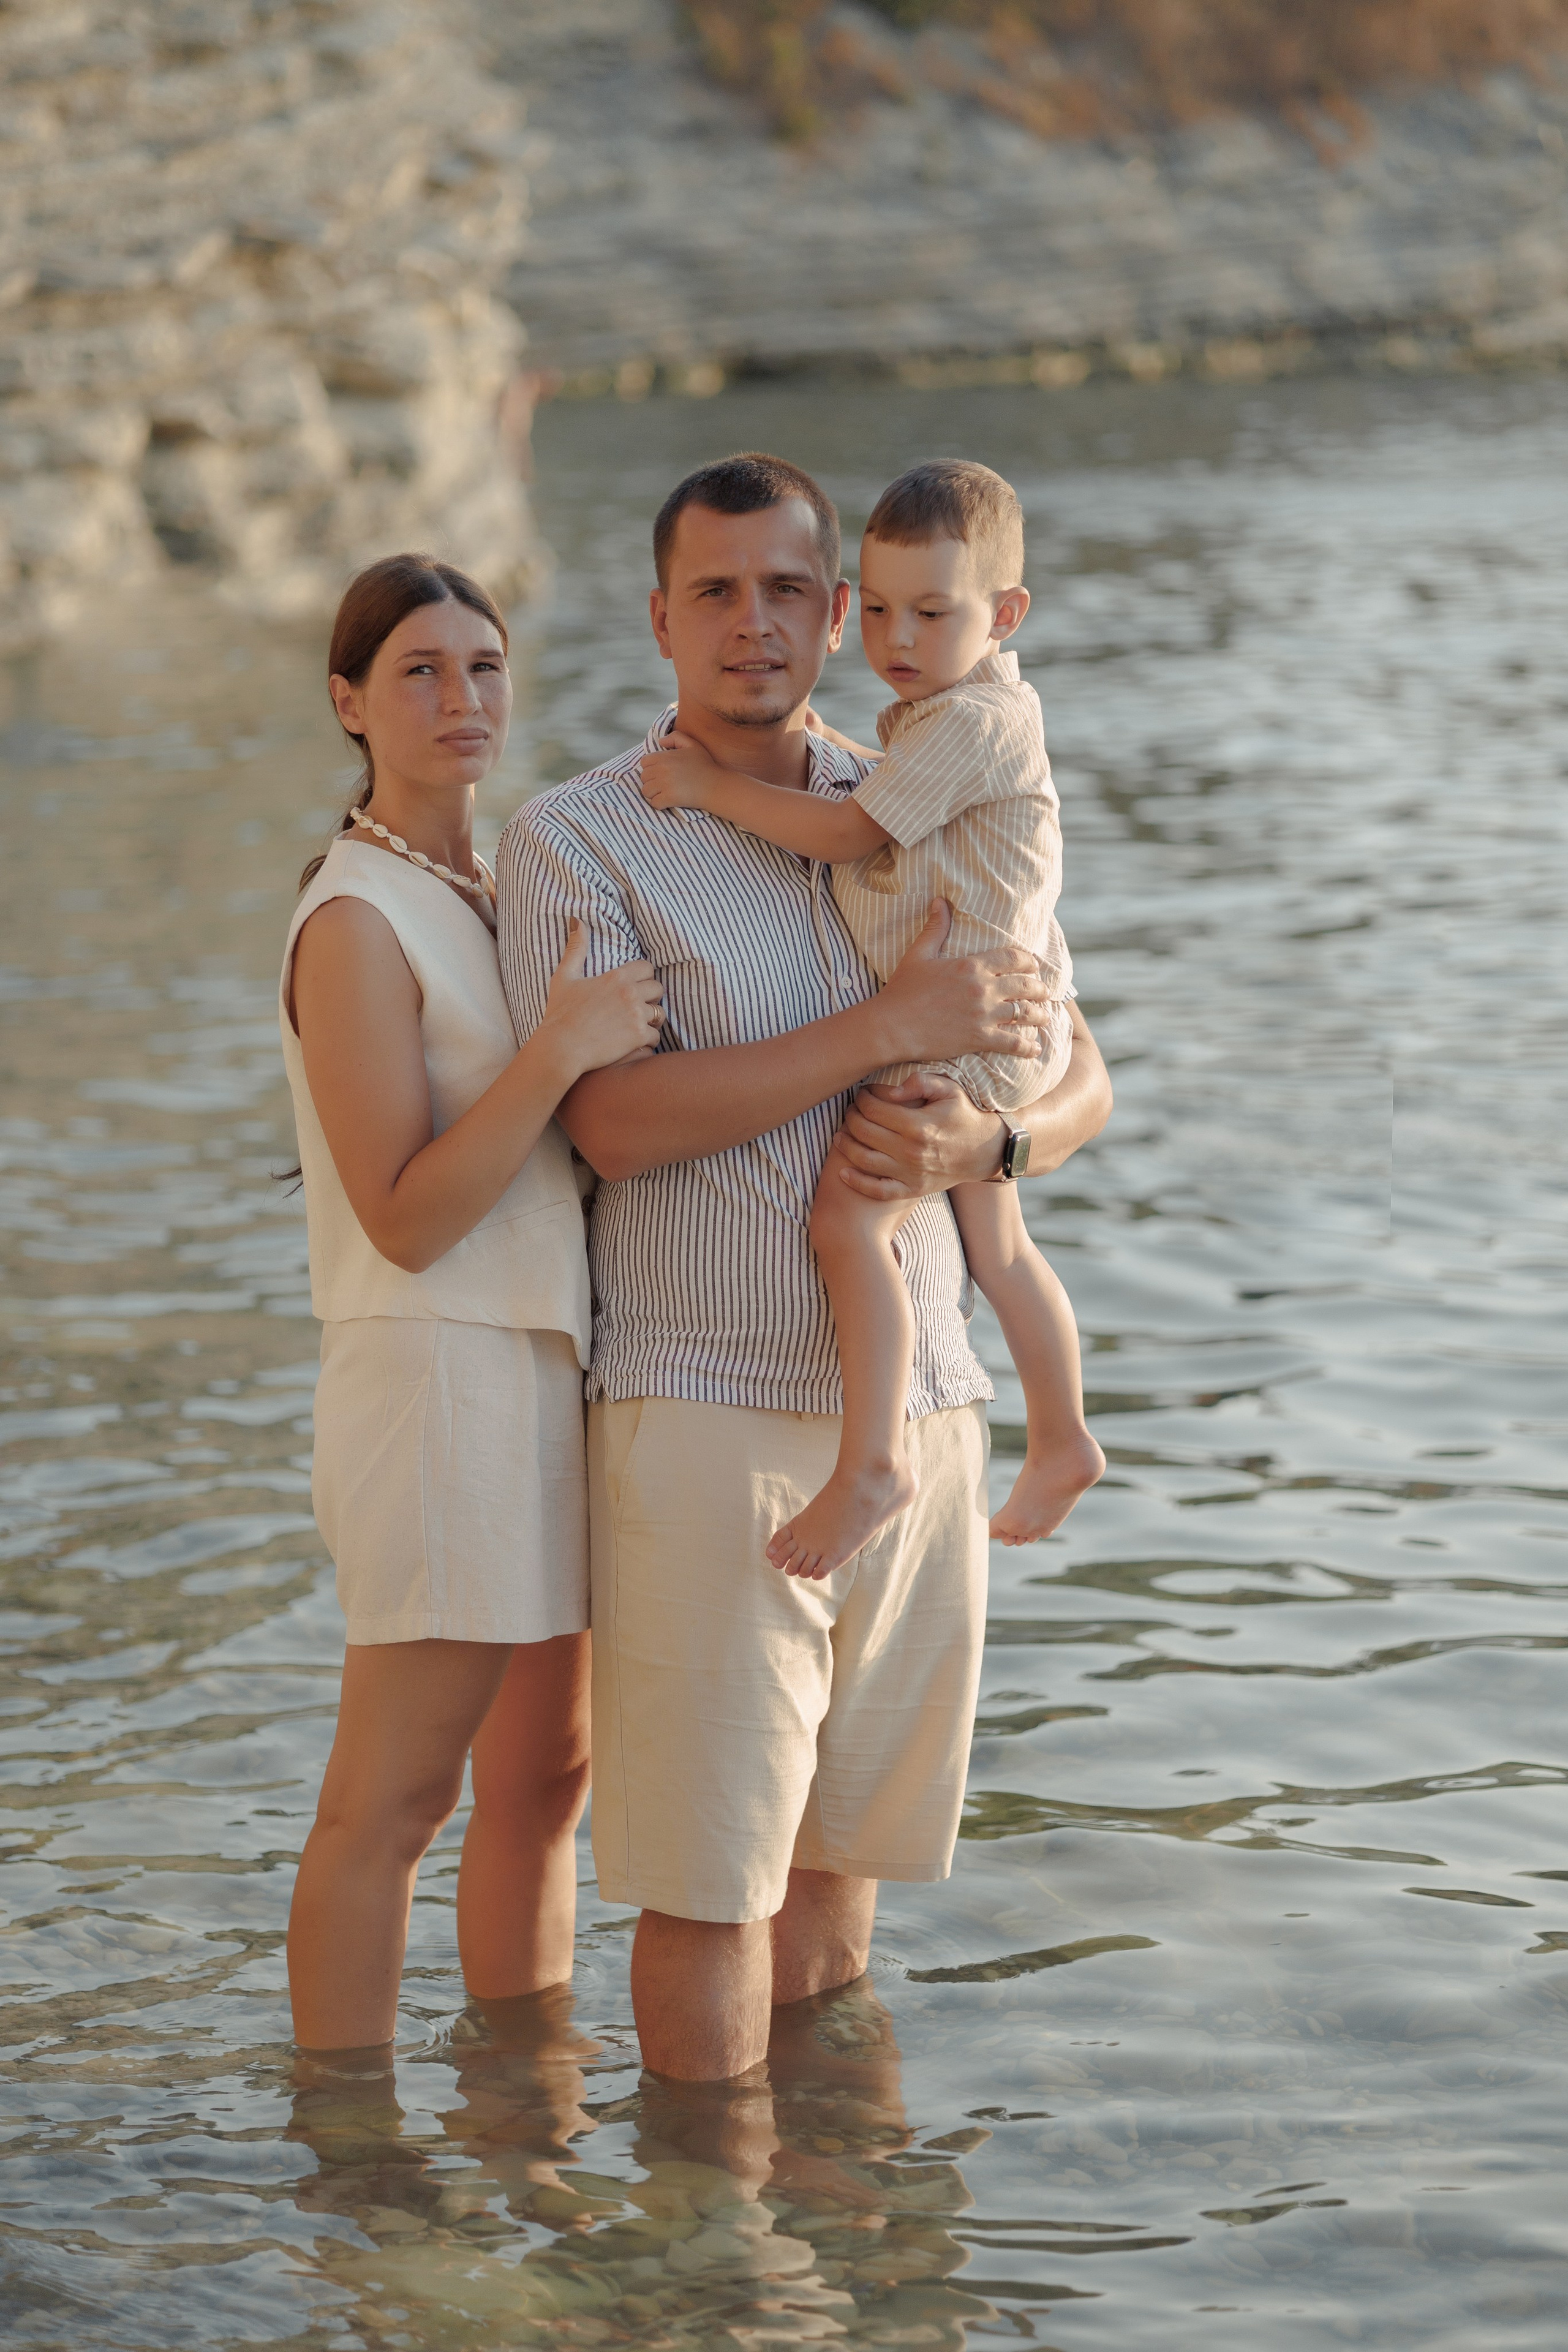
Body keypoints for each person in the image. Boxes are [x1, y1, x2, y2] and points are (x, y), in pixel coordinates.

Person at [497, 454, 1113, 2081]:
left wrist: (998, 1154)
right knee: (710, 1895)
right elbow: (611, 1127)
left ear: (841, 613)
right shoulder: (580, 841)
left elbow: (1078, 1072)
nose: (754, 623)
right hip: (708, 1422)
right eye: (717, 591)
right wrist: (884, 1032)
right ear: (660, 619)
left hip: (917, 1418)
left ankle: (843, 2269)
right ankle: (712, 2278)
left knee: (844, 1884)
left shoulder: (924, 780)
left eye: (787, 590)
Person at [279, 552, 664, 2051]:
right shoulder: (355, 916)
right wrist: (561, 1050)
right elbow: (407, 1212)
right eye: (421, 672)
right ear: (350, 703)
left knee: (544, 1780)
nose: (462, 699)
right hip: (430, 1373)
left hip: (543, 1370)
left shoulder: (496, 883)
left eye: (484, 668)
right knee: (390, 1801)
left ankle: (526, 2105)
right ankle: (352, 2151)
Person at [639, 457, 1104, 1577]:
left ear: (1005, 616)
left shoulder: (965, 726)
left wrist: (705, 789)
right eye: (886, 608)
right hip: (991, 1029)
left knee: (849, 1224)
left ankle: (872, 1463)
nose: (899, 636)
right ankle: (1062, 1434)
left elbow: (850, 839)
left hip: (969, 1037)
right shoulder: (932, 724)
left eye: (931, 613)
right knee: (998, 1241)